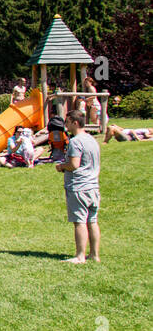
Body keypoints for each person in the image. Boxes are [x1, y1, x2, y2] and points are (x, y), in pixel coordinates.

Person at [57, 109, 101, 264]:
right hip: (93, 186)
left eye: (67, 122)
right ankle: (94, 255)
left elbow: (74, 164)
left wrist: (62, 167)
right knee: (92, 221)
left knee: (79, 221)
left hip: (79, 186)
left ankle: (80, 256)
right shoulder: (92, 139)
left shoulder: (76, 141)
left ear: (75, 123)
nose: (66, 125)